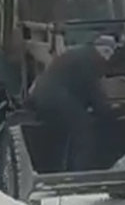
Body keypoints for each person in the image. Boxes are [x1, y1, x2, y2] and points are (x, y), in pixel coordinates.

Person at [28, 35, 119, 171]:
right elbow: (93, 90)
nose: (107, 59)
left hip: (43, 95)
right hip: (54, 97)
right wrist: (108, 111)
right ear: (103, 52)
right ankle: (78, 172)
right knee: (84, 127)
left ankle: (57, 168)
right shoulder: (89, 61)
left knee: (63, 131)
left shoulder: (80, 54)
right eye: (107, 54)